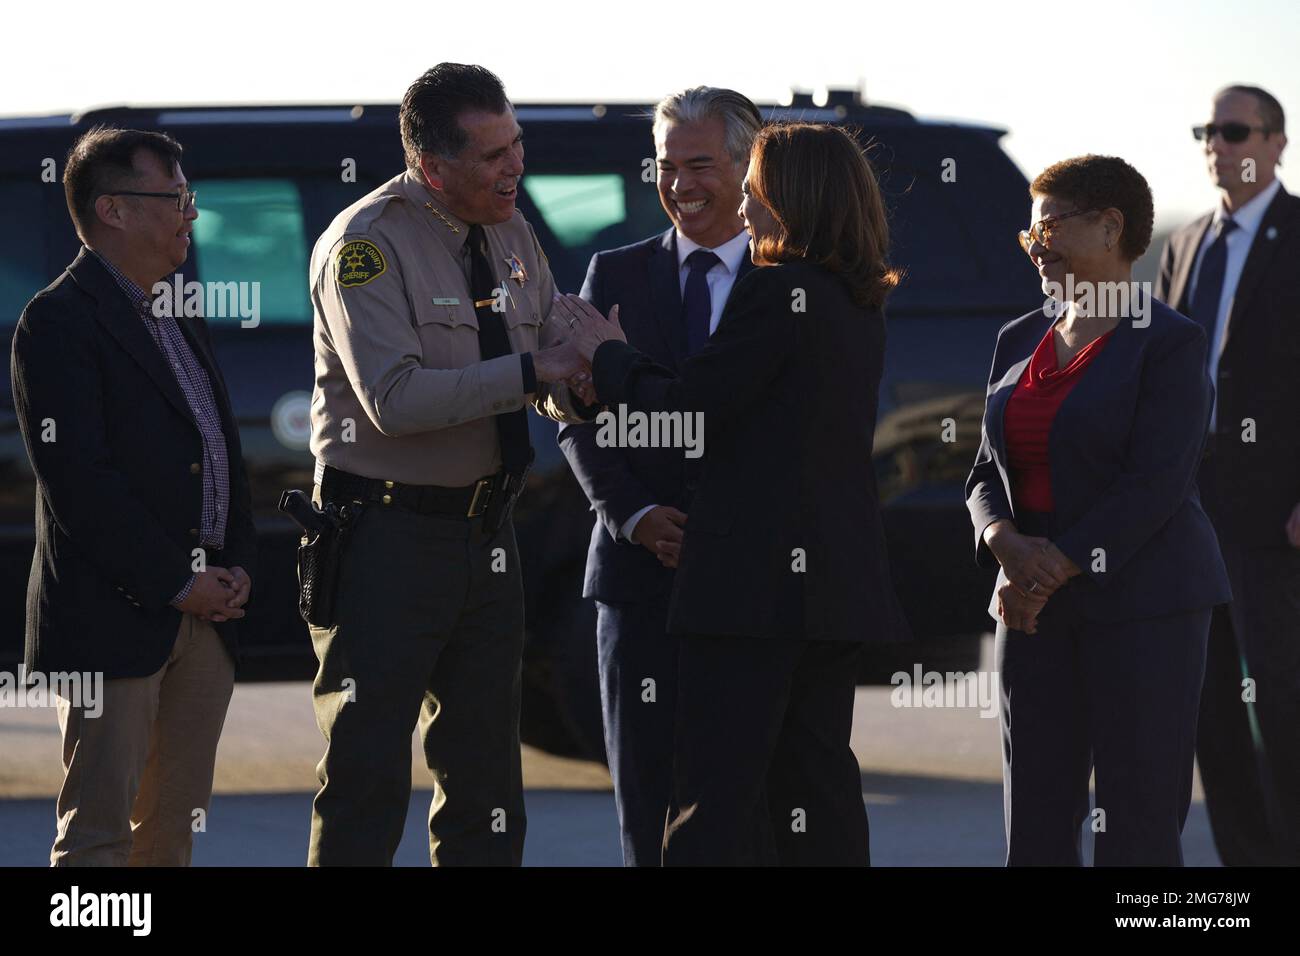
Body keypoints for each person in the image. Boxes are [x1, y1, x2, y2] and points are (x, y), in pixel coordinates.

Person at [559, 122, 909, 866]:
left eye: (755, 190)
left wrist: (605, 354)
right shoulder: (855, 297)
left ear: (793, 199)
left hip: (751, 593)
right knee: (817, 790)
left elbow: (693, 404)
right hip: (830, 589)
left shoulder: (777, 288)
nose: (745, 208)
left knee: (713, 797)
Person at [305, 63, 595, 867]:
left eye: (518, 144)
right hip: (383, 541)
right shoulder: (365, 246)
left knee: (486, 783)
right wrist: (540, 371)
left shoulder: (511, 233)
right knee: (366, 776)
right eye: (494, 154)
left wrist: (583, 383)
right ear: (434, 167)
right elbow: (395, 400)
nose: (516, 167)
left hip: (487, 537)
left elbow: (543, 369)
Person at [967, 154, 1232, 866]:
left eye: (1049, 228)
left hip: (1144, 605)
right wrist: (1001, 542)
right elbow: (985, 470)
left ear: (1111, 227)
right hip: (1032, 609)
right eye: (1029, 236)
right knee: (1037, 815)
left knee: (1137, 821)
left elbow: (1156, 483)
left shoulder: (1170, 342)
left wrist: (1050, 564)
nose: (1037, 247)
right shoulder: (1018, 338)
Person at [10, 127, 257, 866]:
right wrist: (180, 582)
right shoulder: (56, 321)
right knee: (98, 839)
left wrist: (237, 565)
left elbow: (220, 454)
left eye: (191, 197)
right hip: (114, 618)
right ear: (113, 210)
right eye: (176, 198)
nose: (191, 214)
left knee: (169, 837)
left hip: (204, 621)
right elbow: (81, 486)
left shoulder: (179, 309)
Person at [556, 86, 762, 866]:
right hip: (640, 582)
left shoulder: (789, 284)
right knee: (648, 810)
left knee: (748, 812)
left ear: (749, 166)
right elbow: (571, 413)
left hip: (754, 588)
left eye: (700, 164)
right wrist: (633, 514)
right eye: (665, 167)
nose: (680, 185)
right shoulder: (613, 272)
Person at [1155, 84, 1300, 866]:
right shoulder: (1186, 243)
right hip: (1188, 505)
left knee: (1281, 700)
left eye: (1237, 130)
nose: (1220, 144)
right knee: (1207, 703)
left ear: (1277, 143)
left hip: (1274, 509)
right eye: (1210, 131)